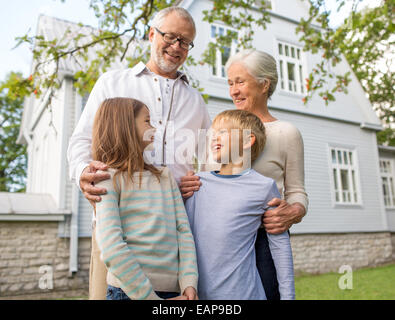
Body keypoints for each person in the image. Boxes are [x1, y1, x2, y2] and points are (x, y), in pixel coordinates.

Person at [67, 7, 211, 299]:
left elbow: (211, 161)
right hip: (117, 227)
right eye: (170, 37)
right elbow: (81, 141)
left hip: (172, 234)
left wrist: (198, 182)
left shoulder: (195, 100)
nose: (177, 47)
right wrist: (83, 172)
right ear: (151, 35)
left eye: (185, 42)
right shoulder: (113, 82)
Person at [180, 49, 308, 300]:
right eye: (230, 83)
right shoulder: (221, 131)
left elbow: (297, 191)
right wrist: (189, 185)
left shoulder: (286, 133)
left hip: (264, 237)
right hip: (220, 242)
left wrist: (293, 212)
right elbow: (208, 180)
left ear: (264, 84)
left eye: (240, 82)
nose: (233, 91)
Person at [92, 97, 198, 300]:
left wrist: (189, 282)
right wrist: (150, 298)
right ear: (125, 125)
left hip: (176, 293)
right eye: (147, 121)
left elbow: (183, 231)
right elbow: (111, 246)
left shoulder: (164, 176)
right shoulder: (106, 180)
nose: (154, 129)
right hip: (127, 293)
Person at [185, 109, 295, 300]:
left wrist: (288, 297)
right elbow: (184, 238)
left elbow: (280, 248)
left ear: (246, 140)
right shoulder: (197, 184)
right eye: (212, 134)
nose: (213, 139)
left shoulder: (264, 187)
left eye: (222, 133)